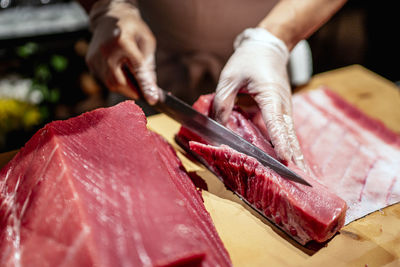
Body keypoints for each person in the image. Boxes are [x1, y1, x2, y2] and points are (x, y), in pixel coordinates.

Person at [79, 0, 347, 170]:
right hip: (149, 61)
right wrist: (107, 8)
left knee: (284, 154)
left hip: (266, 67)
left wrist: (274, 39)